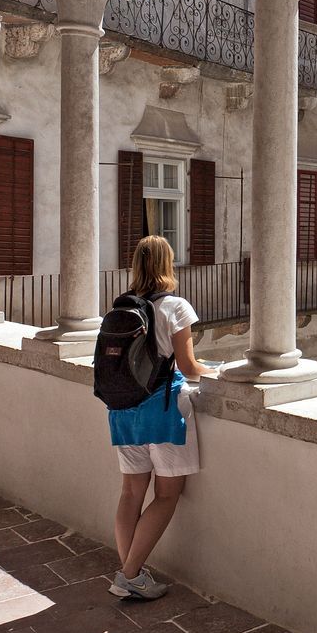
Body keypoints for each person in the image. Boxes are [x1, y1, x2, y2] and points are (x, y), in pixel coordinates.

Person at [108, 235, 211, 600]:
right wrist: (218, 369)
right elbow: (189, 367)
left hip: (123, 411)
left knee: (130, 492)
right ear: (168, 264)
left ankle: (130, 576)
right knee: (167, 495)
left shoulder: (121, 307)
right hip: (164, 412)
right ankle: (129, 574)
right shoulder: (175, 307)